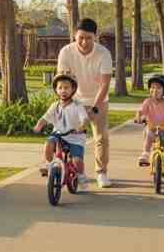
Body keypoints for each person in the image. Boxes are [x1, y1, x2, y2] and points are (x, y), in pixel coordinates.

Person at [56, 17, 113, 188]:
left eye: (88, 38)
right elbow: (62, 81)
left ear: (95, 37)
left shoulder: (103, 53)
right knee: (69, 135)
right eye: (80, 37)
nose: (84, 41)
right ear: (75, 35)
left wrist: (93, 108)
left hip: (98, 99)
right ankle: (73, 169)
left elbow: (105, 85)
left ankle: (101, 173)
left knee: (101, 137)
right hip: (75, 99)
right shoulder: (66, 52)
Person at [33, 73, 89, 184]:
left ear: (73, 89)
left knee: (77, 161)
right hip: (58, 135)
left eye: (66, 88)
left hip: (75, 137)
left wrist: (81, 127)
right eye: (60, 88)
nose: (63, 90)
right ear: (56, 90)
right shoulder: (55, 106)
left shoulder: (77, 105)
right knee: (48, 144)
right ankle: (49, 165)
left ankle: (81, 175)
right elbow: (45, 117)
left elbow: (85, 119)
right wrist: (39, 125)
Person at [134, 74, 164, 183]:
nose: (155, 90)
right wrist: (138, 118)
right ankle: (145, 153)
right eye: (153, 87)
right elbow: (140, 111)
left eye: (158, 88)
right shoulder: (147, 102)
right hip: (152, 128)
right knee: (149, 134)